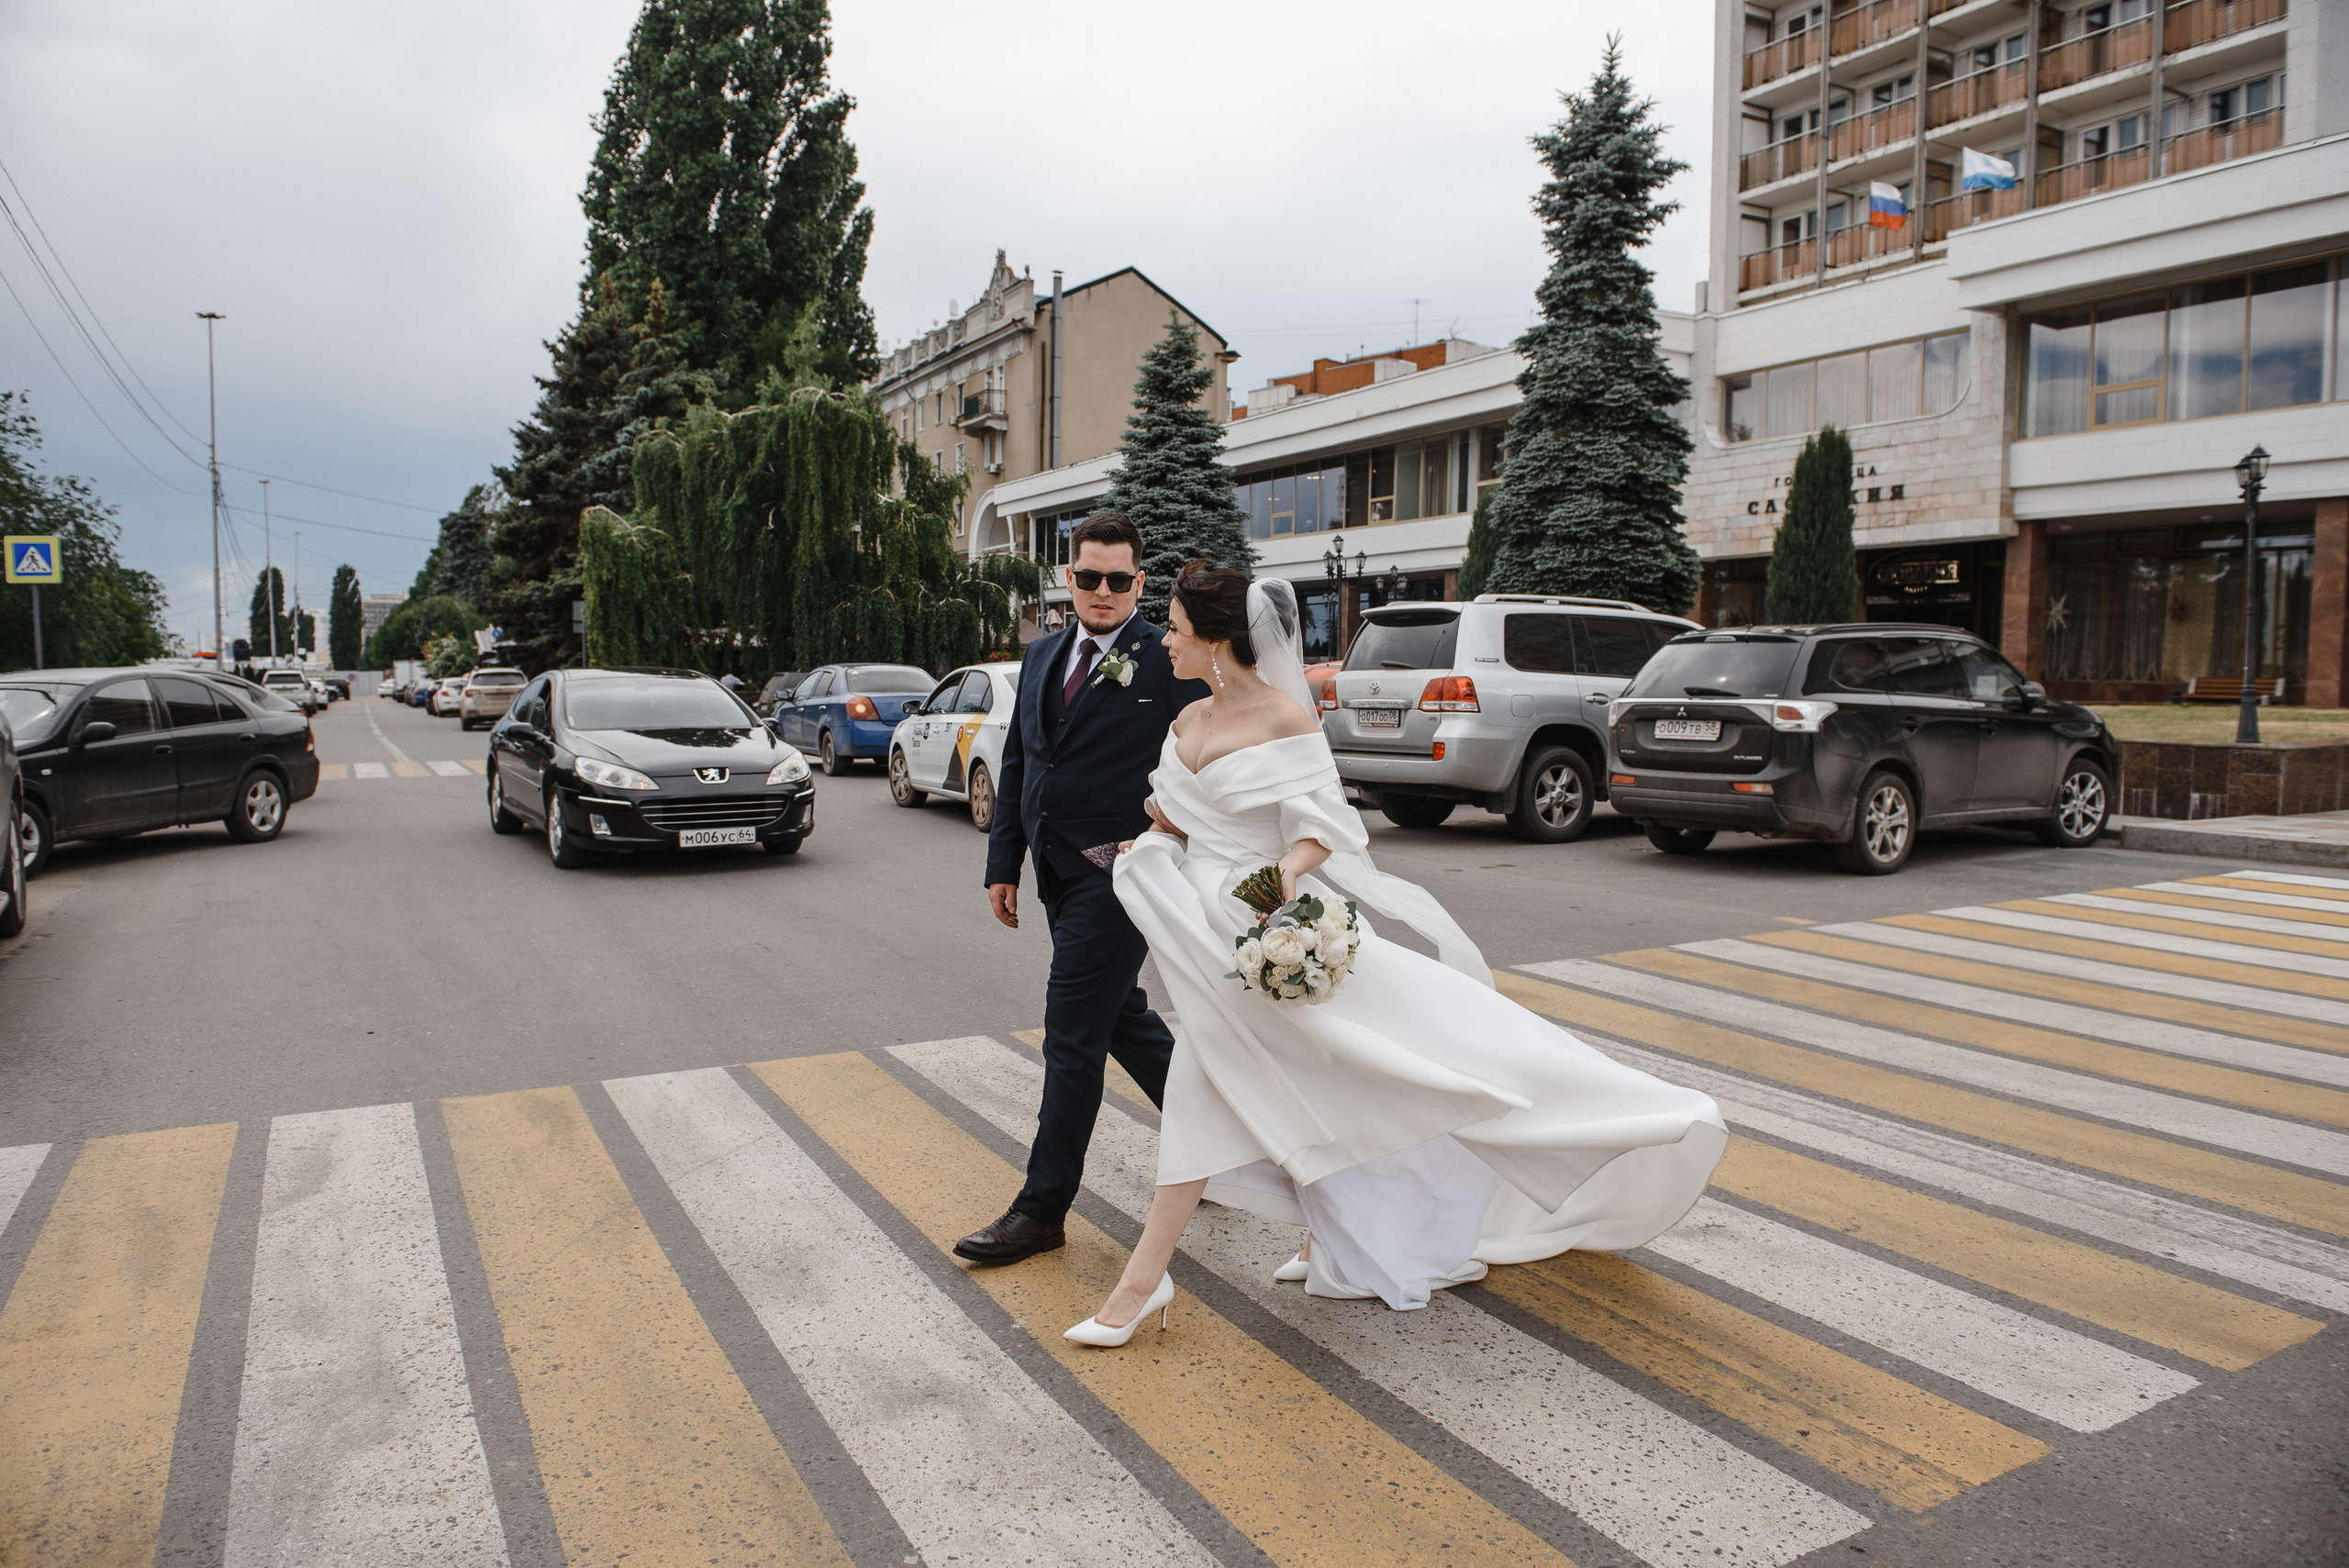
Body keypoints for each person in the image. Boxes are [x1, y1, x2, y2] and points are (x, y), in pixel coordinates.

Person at [1062, 569, 1727, 1345]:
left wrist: (1288, 871)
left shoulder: (1284, 720)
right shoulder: (1184, 722)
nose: (1163, 640)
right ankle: (1292, 1240)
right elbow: (1172, 824)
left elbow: (1323, 824)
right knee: (1268, 1081)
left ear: (1215, 641)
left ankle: (1144, 1278)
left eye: (1174, 628)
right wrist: (1138, 854)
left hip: (1261, 924)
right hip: (1200, 929)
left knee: (1278, 1072)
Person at [956, 514, 1211, 1266]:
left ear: (1139, 581)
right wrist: (1005, 861)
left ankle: (1041, 1210)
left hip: (1123, 875)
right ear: (1068, 579)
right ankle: (1223, 1140)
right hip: (1057, 873)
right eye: (1089, 577)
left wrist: (1168, 834)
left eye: (1120, 580)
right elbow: (1023, 758)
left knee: (1070, 1035)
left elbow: (1207, 762)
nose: (1103, 592)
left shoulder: (1165, 660)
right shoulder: (1039, 654)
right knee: (1121, 1019)